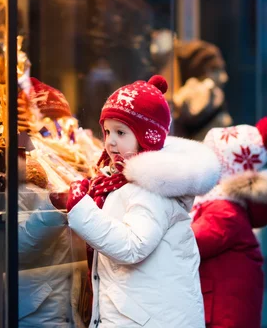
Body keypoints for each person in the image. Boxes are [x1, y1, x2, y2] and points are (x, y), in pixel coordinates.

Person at [66, 75, 221, 327]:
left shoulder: (153, 186)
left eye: (121, 132)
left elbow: (132, 246)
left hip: (149, 319)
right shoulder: (121, 181)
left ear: (146, 137)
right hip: (141, 315)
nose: (110, 140)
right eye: (107, 131)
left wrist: (80, 208)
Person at [191, 117, 267, 328]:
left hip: (224, 314)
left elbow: (191, 241)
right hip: (226, 309)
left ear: (222, 169)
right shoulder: (224, 206)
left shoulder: (223, 210)